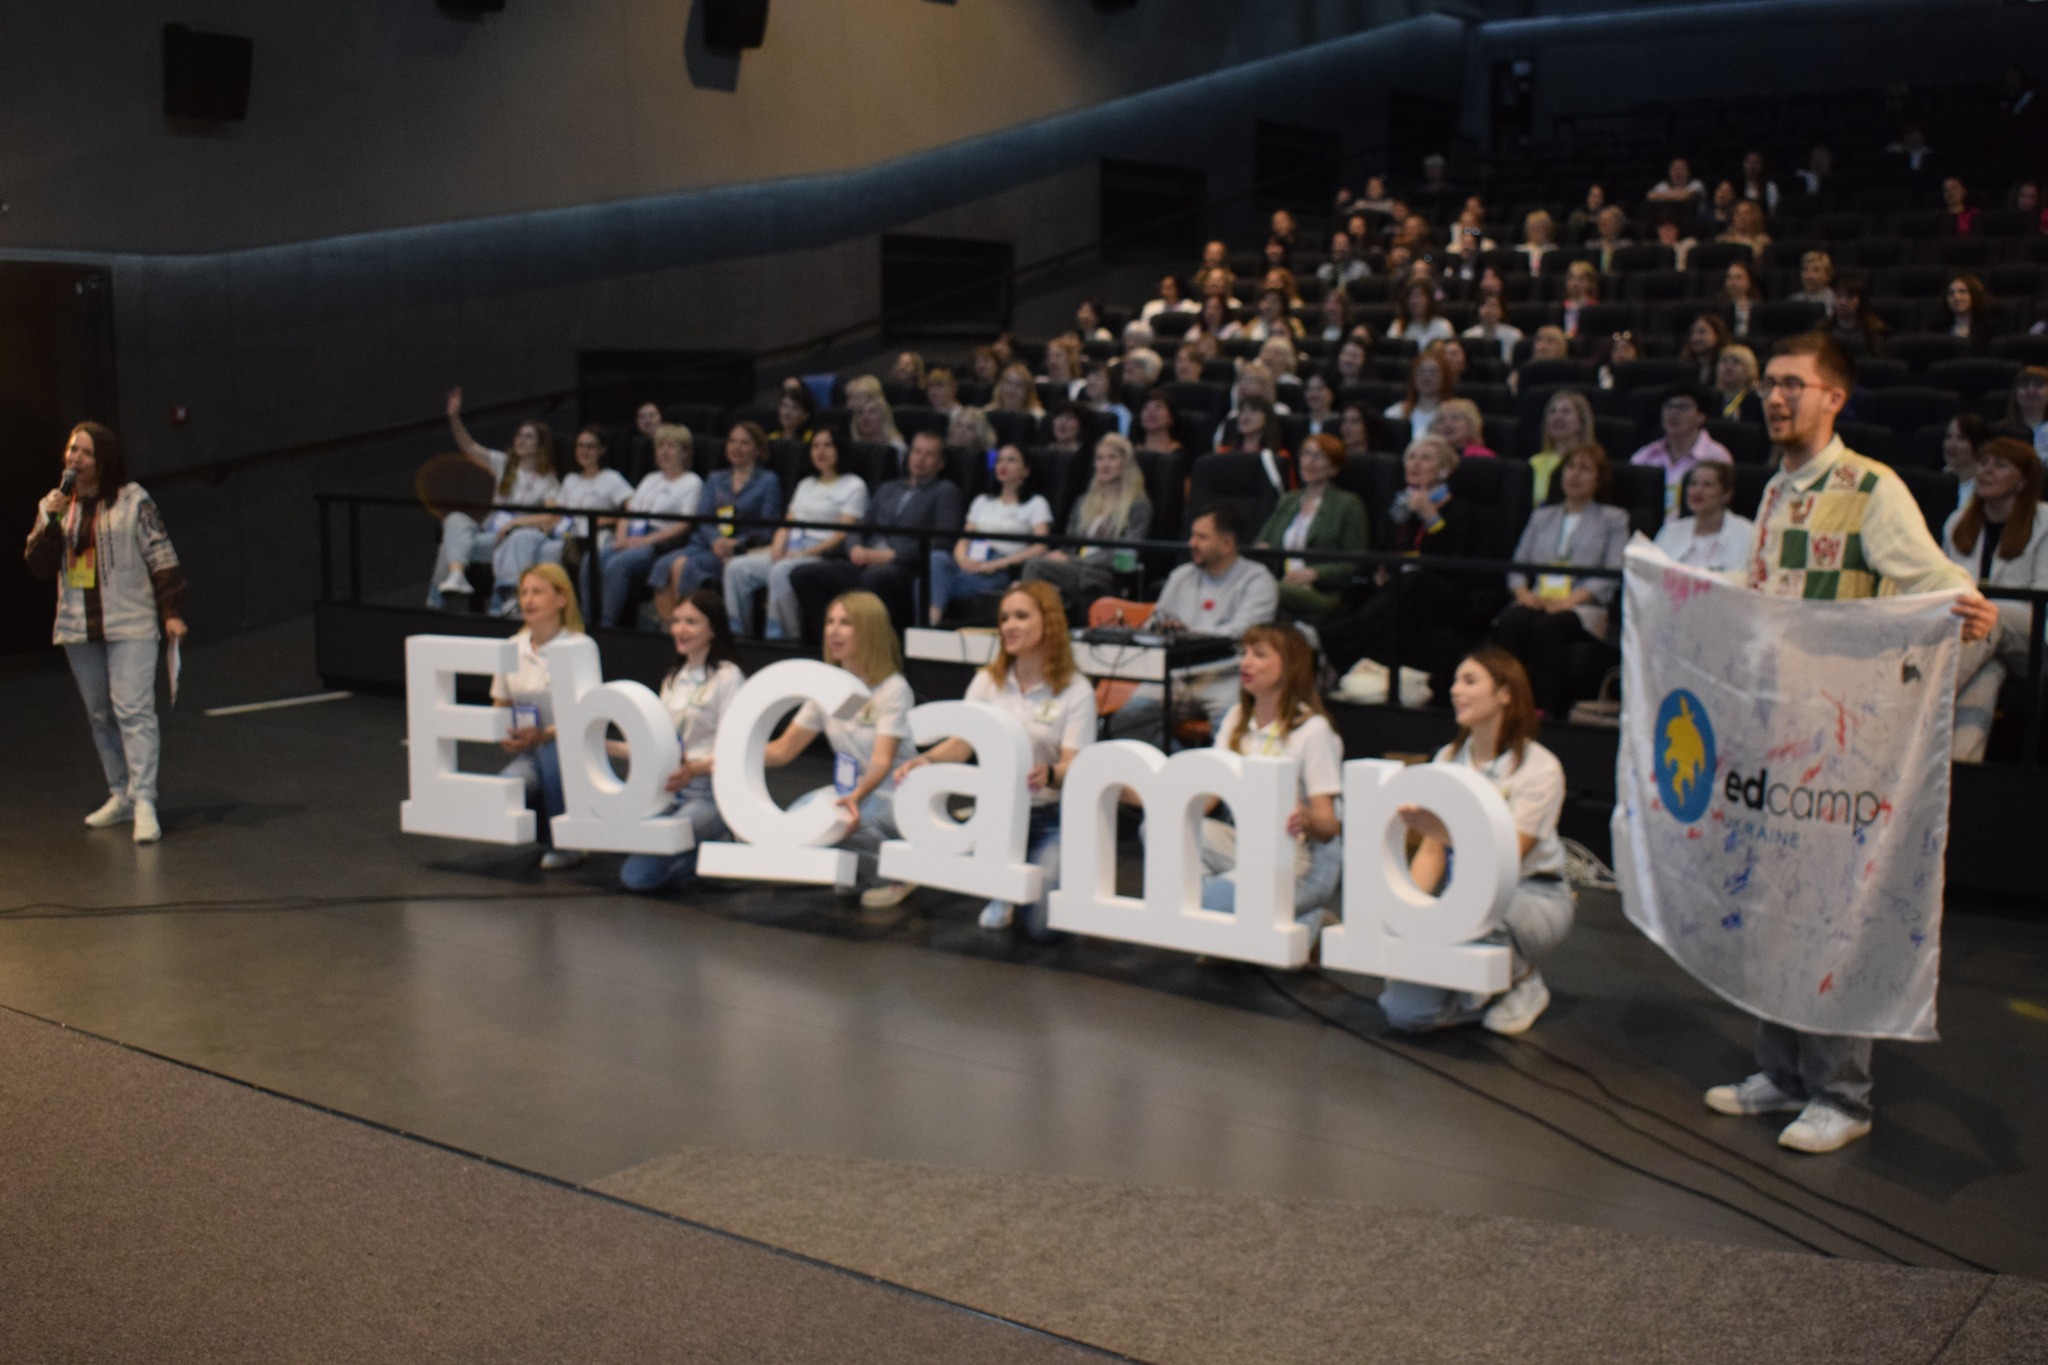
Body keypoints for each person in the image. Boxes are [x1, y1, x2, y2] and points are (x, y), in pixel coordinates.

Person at [1710, 333, 1999, 1152]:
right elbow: (1767, 593)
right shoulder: (1776, 490)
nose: (1775, 397)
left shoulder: (1871, 487)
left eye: (1793, 385)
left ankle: (1842, 1093)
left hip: (1839, 745)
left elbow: (1931, 577)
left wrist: (1963, 601)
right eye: (1770, 384)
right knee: (1773, 908)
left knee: (1833, 914)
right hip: (1776, 734)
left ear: (1834, 397)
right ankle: (1781, 1069)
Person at [1378, 648, 1575, 1036]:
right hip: (1462, 896)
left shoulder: (1539, 767)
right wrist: (1408, 913)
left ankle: (1522, 979)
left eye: (1469, 681)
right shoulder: (1448, 758)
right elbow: (1432, 852)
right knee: (1405, 1012)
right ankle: (1478, 994)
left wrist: (1443, 831)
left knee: (1485, 917)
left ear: (1504, 693)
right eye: (1455, 681)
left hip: (1528, 895)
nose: (1455, 691)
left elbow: (1509, 856)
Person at [893, 581, 1093, 936]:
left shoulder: (1075, 689)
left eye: (1021, 616)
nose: (1009, 626)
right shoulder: (988, 681)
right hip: (997, 817)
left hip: (1051, 816)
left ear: (1049, 622)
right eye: (1004, 618)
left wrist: (1049, 773)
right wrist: (927, 761)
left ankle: (1036, 879)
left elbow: (1075, 765)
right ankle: (1004, 886)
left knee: (1043, 929)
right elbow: (962, 743)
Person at [26, 422, 186, 845]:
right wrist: (52, 520)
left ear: (103, 460)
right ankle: (121, 794)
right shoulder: (55, 504)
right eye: (72, 450)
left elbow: (161, 556)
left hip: (130, 622)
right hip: (77, 625)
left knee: (134, 710)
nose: (75, 459)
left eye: (86, 452)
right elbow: (38, 564)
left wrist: (171, 611)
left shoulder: (133, 500)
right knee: (99, 713)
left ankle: (145, 800)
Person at [758, 591, 917, 907]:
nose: (833, 630)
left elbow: (882, 761)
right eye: (830, 622)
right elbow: (784, 749)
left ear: (869, 630)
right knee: (799, 819)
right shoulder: (826, 688)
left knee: (840, 820)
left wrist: (855, 797)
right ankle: (860, 868)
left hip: (893, 793)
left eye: (845, 623)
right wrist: (728, 756)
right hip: (853, 790)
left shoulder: (892, 689)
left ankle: (898, 874)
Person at [1194, 625, 1345, 932]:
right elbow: (1207, 799)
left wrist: (1305, 818)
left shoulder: (1313, 730)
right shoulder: (1237, 717)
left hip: (1298, 859)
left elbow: (1328, 826)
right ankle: (1283, 922)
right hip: (1248, 844)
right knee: (1166, 829)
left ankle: (1306, 918)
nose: (1246, 662)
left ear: (1290, 666)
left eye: (1259, 654)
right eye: (1244, 653)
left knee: (1207, 901)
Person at [1110, 505, 1279, 741]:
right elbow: (1154, 621)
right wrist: (1160, 628)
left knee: (1232, 729)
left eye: (1201, 537)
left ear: (1227, 543)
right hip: (1175, 674)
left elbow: (1244, 632)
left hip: (1226, 675)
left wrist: (1187, 635)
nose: (1192, 543)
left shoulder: (1258, 580)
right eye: (1192, 536)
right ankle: (1175, 761)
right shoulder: (1181, 575)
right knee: (1126, 721)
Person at [1319, 436, 1477, 686]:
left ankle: (1344, 641)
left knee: (1414, 581)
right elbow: (1384, 550)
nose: (1415, 464)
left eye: (1426, 458)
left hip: (1443, 589)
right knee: (1366, 591)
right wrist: (1381, 569)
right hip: (1401, 588)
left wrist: (1430, 516)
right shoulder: (1399, 507)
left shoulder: (1458, 508)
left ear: (1444, 469)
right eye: (1411, 457)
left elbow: (1455, 557)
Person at [618, 590, 746, 896]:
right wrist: (602, 744)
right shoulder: (674, 678)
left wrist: (695, 769)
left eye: (691, 622)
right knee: (630, 854)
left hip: (709, 794)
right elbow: (658, 741)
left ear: (712, 629)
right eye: (676, 621)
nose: (680, 629)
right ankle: (700, 850)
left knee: (639, 876)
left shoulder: (728, 677)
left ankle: (717, 843)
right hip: (670, 789)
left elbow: (734, 751)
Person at [1492, 444, 1631, 716]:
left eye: (1585, 469)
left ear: (1599, 479)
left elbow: (1613, 570)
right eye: (1570, 467)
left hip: (1583, 606)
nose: (1575, 475)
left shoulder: (1613, 519)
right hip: (1538, 598)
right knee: (1512, 622)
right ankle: (1505, 704)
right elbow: (1518, 563)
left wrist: (1571, 600)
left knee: (1547, 628)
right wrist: (1522, 593)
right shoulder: (1542, 516)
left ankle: (1544, 710)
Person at [789, 428, 964, 643]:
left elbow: (942, 540)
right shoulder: (888, 488)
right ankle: (829, 643)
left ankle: (864, 647)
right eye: (917, 451)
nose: (920, 459)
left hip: (904, 567)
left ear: (941, 463)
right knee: (802, 574)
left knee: (873, 579)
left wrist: (891, 556)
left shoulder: (945, 491)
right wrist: (855, 548)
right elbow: (860, 527)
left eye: (929, 454)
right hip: (862, 560)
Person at [724, 427, 868, 640]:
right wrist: (778, 548)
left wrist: (804, 553)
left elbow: (842, 534)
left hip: (822, 554)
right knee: (736, 567)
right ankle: (737, 634)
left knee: (781, 571)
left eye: (827, 445)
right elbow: (787, 524)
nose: (821, 451)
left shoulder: (853, 485)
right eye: (816, 446)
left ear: (840, 449)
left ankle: (782, 638)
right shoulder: (805, 484)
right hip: (791, 548)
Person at [490, 564, 586, 870]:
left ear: (561, 599)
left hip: (573, 752)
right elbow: (500, 703)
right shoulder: (511, 647)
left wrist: (544, 735)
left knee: (550, 752)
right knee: (504, 791)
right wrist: (505, 734)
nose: (528, 600)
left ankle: (567, 842)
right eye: (524, 593)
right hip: (530, 751)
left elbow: (586, 715)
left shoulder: (579, 647)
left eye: (538, 592)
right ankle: (547, 830)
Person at [430, 389, 560, 608]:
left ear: (540, 444)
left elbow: (552, 515)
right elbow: (469, 447)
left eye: (529, 436)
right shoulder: (503, 462)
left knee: (447, 548)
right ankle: (456, 576)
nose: (521, 440)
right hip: (491, 535)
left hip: (515, 539)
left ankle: (497, 602)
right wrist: (454, 418)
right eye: (519, 435)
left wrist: (516, 523)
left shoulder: (548, 479)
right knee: (455, 521)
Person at [491, 425, 633, 617]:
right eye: (580, 446)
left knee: (546, 554)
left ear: (602, 450)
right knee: (520, 538)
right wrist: (525, 523)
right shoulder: (570, 479)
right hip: (559, 534)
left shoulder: (611, 478)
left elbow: (632, 506)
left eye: (591, 446)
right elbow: (555, 514)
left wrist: (607, 520)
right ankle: (510, 599)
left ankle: (537, 609)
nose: (585, 451)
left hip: (586, 539)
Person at [649, 422, 784, 624]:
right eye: (732, 442)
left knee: (682, 566)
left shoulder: (768, 481)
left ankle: (688, 627)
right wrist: (716, 541)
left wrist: (735, 543)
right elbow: (703, 519)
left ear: (757, 449)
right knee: (662, 565)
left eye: (744, 443)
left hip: (741, 550)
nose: (736, 447)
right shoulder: (716, 478)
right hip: (707, 544)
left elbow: (768, 529)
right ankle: (670, 629)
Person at [1023, 433, 1154, 617]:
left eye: (1112, 458)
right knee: (1040, 568)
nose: (1105, 464)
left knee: (1037, 567)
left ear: (1126, 463)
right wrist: (1062, 557)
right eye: (1100, 458)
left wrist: (1075, 561)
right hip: (1075, 570)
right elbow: (1069, 545)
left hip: (1107, 573)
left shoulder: (1138, 504)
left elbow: (1127, 557)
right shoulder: (1083, 502)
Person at [1944, 436, 2048, 663]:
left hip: (2029, 634)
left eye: (2000, 465)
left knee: (1987, 618)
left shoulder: (2044, 522)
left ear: (2022, 481)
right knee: (1987, 678)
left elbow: (2043, 600)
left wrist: (1984, 610)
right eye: (1983, 463)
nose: (1987, 471)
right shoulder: (1957, 521)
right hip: (1976, 631)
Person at [928, 445, 1052, 624]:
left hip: (1000, 567)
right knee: (937, 559)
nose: (1003, 465)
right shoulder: (982, 500)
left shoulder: (1036, 503)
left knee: (928, 585)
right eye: (999, 460)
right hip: (970, 560)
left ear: (1026, 470)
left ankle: (930, 625)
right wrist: (962, 559)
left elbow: (1041, 546)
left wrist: (997, 564)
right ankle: (932, 623)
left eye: (1011, 460)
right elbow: (964, 539)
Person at [1254, 434, 1369, 620]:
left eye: (1319, 456)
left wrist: (1316, 573)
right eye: (1306, 454)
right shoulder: (1288, 500)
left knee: (1264, 590)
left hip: (1322, 591)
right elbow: (1262, 542)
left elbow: (1356, 562)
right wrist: (1263, 549)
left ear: (1334, 468)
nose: (1309, 461)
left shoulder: (1348, 504)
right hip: (1281, 580)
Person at [598, 424, 702, 629]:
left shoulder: (691, 482)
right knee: (592, 560)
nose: (664, 452)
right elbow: (629, 513)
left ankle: (607, 624)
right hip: (632, 535)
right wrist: (621, 537)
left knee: (617, 565)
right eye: (660, 446)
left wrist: (646, 540)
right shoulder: (650, 478)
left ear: (685, 452)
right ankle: (587, 617)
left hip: (660, 540)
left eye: (671, 446)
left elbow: (685, 524)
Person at [1631, 385, 1734, 517]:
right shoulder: (1645, 456)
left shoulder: (1716, 457)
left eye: (1683, 407)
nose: (1674, 413)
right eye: (1669, 406)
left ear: (1701, 416)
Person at [1652, 460, 1753, 576]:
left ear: (1726, 494)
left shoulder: (1747, 533)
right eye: (1693, 484)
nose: (1697, 491)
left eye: (1707, 485)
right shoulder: (1671, 531)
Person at [1527, 388, 1598, 505]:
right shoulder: (1535, 462)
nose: (1557, 417)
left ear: (1581, 422)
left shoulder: (1591, 463)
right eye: (1552, 411)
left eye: (1566, 412)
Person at [1386, 346, 1451, 445]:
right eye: (1421, 371)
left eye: (1433, 372)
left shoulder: (1454, 416)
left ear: (1444, 377)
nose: (1426, 376)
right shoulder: (1395, 413)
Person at [1825, 272, 1889, 358]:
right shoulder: (1823, 328)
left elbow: (1878, 361)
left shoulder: (1873, 331)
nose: (1843, 302)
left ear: (1861, 302)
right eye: (1838, 296)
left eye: (1850, 297)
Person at [1944, 412, 1992, 509]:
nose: (1951, 445)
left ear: (1979, 445)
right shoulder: (1938, 480)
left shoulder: (1985, 490)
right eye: (1949, 436)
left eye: (1961, 438)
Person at [1388, 282, 1455, 349]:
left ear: (1429, 300)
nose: (1414, 301)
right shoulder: (1398, 325)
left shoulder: (1443, 326)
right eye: (1410, 297)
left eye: (1418, 296)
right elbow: (1391, 351)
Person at [1463, 294, 1523, 363]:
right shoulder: (1468, 335)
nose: (1489, 310)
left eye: (1493, 306)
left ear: (1502, 311)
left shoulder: (1514, 335)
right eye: (1485, 305)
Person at [1713, 344, 1764, 426]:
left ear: (1749, 369)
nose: (1728, 366)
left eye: (1736, 361)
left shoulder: (1756, 401)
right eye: (1724, 360)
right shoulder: (1712, 399)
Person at [1944, 273, 1997, 351]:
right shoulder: (1939, 328)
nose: (1956, 297)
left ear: (1974, 295)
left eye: (1962, 291)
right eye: (1951, 293)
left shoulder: (1990, 328)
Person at [2005, 366, 2048, 456]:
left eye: (2039, 385)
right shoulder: (2001, 431)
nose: (2031, 391)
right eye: (2024, 386)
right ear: (2015, 393)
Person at [1680, 313, 1732, 387]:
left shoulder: (1726, 366)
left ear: (1718, 335)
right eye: (1692, 333)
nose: (1695, 338)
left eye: (1702, 332)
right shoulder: (1685, 366)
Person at [1718, 260, 1761, 339]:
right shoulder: (1718, 307)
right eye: (1729, 278)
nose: (1733, 282)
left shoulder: (1758, 307)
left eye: (1738, 278)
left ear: (1749, 281)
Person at [1134, 389, 1184, 456]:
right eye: (1146, 407)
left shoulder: (1181, 455)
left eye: (1158, 407)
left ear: (1171, 418)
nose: (1150, 412)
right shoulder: (1131, 452)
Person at [1559, 262, 1600, 340]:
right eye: (1571, 278)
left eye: (1581, 279)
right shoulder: (1560, 307)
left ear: (1590, 283)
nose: (1575, 283)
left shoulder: (1595, 308)